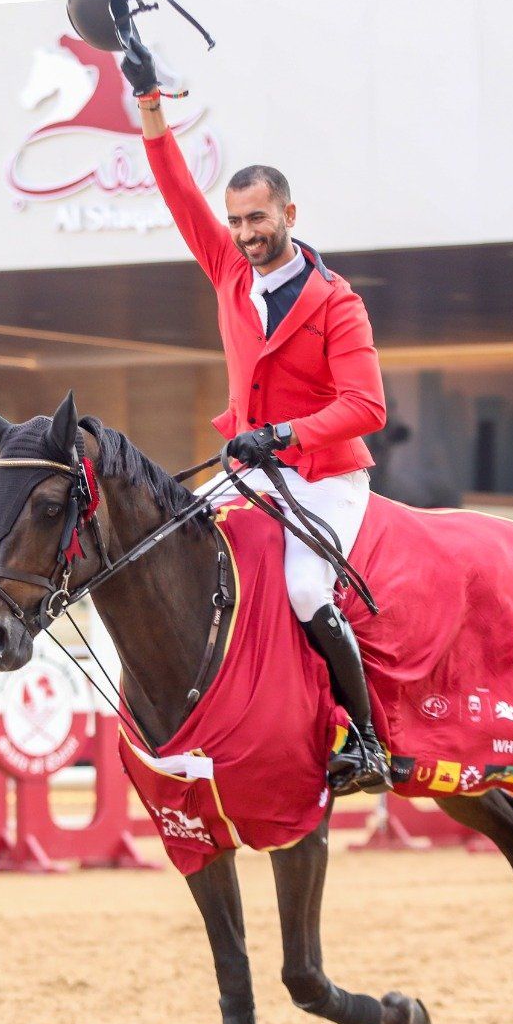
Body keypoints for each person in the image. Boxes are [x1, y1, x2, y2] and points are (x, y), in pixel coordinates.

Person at [125, 43, 390, 795]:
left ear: (290, 214)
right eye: (238, 220)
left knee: (305, 589)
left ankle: (366, 743)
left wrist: (281, 434)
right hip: (251, 473)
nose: (246, 232)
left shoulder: (339, 301)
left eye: (259, 219)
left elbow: (366, 406)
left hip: (325, 478)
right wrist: (148, 100)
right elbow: (177, 189)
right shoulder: (228, 269)